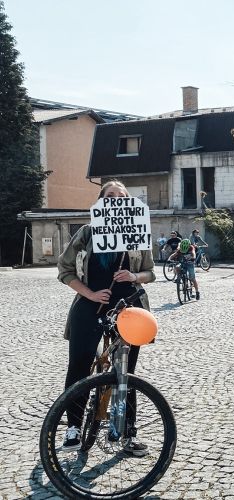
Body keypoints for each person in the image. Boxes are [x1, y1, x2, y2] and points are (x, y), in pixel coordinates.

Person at [57, 180, 155, 456]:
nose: (115, 199)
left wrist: (134, 276)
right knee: (79, 364)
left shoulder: (137, 233)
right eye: (110, 195)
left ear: (127, 204)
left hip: (128, 308)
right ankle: (73, 428)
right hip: (90, 306)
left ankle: (128, 433)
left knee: (127, 372)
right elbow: (64, 270)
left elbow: (150, 272)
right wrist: (89, 293)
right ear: (101, 201)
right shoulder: (87, 233)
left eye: (121, 196)